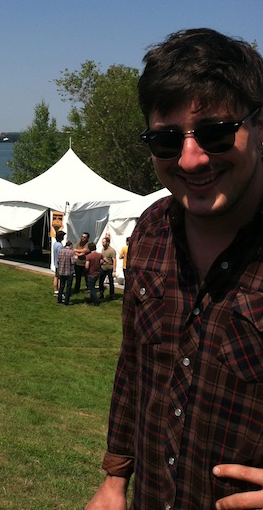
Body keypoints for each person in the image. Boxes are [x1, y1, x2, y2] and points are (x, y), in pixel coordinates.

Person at [86, 28, 263, 510]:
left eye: (216, 132)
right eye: (166, 140)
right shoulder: (151, 231)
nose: (191, 158)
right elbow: (133, 368)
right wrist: (115, 477)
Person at [56, 240, 75, 305]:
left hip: (61, 271)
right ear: (70, 246)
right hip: (68, 272)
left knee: (61, 286)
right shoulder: (71, 252)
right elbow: (72, 262)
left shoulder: (60, 251)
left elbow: (58, 261)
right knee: (68, 287)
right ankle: (66, 301)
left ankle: (59, 299)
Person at [98, 236, 117, 301]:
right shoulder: (103, 249)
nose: (102, 243)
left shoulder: (112, 250)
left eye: (103, 242)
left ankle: (111, 295)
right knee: (101, 281)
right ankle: (101, 293)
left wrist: (114, 270)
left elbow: (114, 260)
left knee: (111, 282)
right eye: (102, 242)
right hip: (103, 267)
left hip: (110, 268)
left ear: (107, 243)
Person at [52, 230, 66, 295]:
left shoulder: (55, 244)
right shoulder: (60, 245)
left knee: (56, 276)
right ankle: (60, 291)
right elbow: (60, 255)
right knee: (61, 278)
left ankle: (55, 290)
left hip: (56, 263)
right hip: (60, 264)